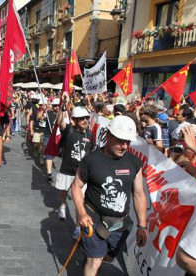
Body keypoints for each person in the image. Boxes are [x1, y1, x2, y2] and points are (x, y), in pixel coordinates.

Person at [72, 116, 147, 276]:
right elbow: (76, 187)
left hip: (120, 224)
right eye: (121, 141)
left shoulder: (134, 162)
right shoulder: (91, 160)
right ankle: (91, 259)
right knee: (95, 260)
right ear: (108, 136)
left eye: (128, 142)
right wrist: (82, 212)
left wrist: (142, 226)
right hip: (94, 220)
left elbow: (139, 194)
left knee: (107, 257)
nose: (125, 146)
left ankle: (91, 257)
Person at [55, 94, 94, 238]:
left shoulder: (90, 134)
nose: (85, 121)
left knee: (80, 202)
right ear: (74, 120)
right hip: (67, 169)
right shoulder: (69, 131)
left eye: (86, 118)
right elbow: (60, 121)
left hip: (82, 174)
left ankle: (78, 227)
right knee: (64, 191)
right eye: (82, 119)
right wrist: (63, 104)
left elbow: (91, 150)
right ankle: (63, 205)